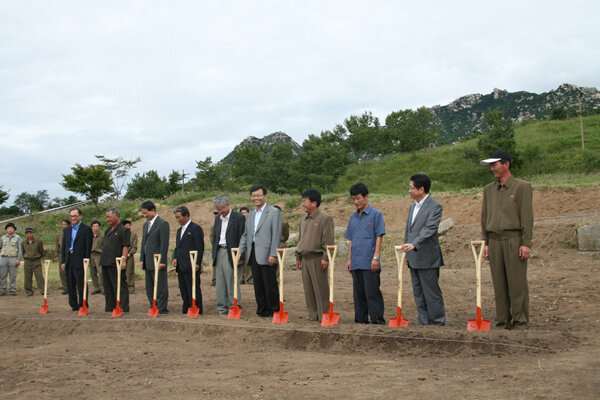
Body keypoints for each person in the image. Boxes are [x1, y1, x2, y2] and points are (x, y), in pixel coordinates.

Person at [480, 150, 533, 330]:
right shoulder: (489, 190)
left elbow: (527, 217)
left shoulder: (522, 187)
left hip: (514, 240)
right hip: (494, 241)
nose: (492, 168)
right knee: (499, 284)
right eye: (491, 165)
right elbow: (484, 217)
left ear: (506, 164)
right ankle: (503, 321)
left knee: (517, 283)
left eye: (495, 164)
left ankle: (520, 321)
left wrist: (526, 243)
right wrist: (486, 242)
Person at [400, 174, 446, 326]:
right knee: (418, 293)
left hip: (428, 257)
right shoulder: (413, 206)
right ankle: (424, 322)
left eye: (411, 188)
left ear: (421, 189)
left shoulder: (435, 206)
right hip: (414, 257)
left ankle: (437, 322)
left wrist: (414, 244)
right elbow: (408, 230)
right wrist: (407, 250)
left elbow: (430, 229)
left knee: (431, 292)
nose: (409, 191)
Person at [345, 182, 386, 324]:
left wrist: (376, 257)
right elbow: (350, 240)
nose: (356, 202)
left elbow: (379, 236)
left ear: (366, 197)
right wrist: (349, 259)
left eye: (358, 198)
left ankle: (377, 321)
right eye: (354, 199)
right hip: (356, 261)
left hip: (370, 262)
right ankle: (360, 321)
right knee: (358, 294)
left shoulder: (376, 215)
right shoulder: (352, 217)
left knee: (372, 293)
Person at [239, 185, 282, 318]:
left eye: (259, 195)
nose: (256, 198)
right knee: (258, 284)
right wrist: (240, 251)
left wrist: (273, 254)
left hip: (268, 254)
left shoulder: (273, 212)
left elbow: (276, 234)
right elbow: (246, 234)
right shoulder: (250, 215)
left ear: (265, 196)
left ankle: (273, 310)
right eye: (253, 195)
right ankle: (261, 309)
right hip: (253, 254)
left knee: (270, 284)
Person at [295, 189, 334, 322]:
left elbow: (328, 241)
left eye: (304, 201)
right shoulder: (303, 220)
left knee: (320, 288)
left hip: (318, 259)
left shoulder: (325, 219)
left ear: (314, 203)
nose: (302, 204)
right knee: (308, 289)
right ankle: (313, 315)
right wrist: (298, 257)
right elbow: (301, 240)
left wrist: (325, 258)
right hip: (305, 259)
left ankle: (324, 315)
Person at [211, 195, 245, 315]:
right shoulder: (217, 219)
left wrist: (241, 253)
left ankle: (234, 306)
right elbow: (215, 236)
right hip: (219, 251)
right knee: (220, 282)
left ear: (228, 205)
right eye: (217, 210)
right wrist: (214, 253)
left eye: (222, 209)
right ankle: (222, 308)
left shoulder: (239, 217)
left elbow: (243, 237)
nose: (220, 212)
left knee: (232, 281)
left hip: (232, 252)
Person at [139, 200, 170, 314]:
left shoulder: (162, 224)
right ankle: (153, 305)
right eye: (143, 213)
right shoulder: (145, 225)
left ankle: (161, 308)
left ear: (153, 210)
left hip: (158, 261)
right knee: (149, 286)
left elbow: (164, 244)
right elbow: (143, 243)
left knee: (160, 285)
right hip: (148, 261)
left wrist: (162, 260)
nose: (145, 216)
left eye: (146, 213)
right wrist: (142, 259)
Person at [173, 206, 204, 315]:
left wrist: (197, 263)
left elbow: (200, 247)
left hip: (191, 263)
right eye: (176, 218)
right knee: (183, 288)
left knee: (193, 287)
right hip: (181, 264)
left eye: (179, 217)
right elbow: (178, 246)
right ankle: (186, 306)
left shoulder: (195, 228)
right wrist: (175, 257)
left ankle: (196, 307)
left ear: (186, 216)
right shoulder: (179, 230)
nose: (177, 220)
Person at [61, 208, 93, 311]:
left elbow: (88, 246)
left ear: (80, 216)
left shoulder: (86, 229)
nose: (73, 218)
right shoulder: (67, 230)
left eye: (75, 216)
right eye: (71, 216)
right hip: (69, 258)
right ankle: (73, 304)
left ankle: (83, 303)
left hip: (80, 259)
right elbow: (64, 247)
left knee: (81, 283)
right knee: (70, 283)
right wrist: (63, 261)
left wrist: (87, 260)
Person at [99, 208, 130, 313]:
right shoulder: (108, 230)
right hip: (105, 261)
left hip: (116, 262)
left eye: (109, 217)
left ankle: (123, 307)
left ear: (116, 216)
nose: (108, 219)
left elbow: (125, 246)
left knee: (119, 285)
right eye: (106, 217)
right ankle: (110, 307)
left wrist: (124, 260)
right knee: (108, 286)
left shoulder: (124, 230)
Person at [21, 227, 45, 296]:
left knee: (39, 276)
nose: (29, 234)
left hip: (36, 260)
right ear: (26, 234)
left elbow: (41, 251)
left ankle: (42, 290)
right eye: (27, 233)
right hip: (27, 260)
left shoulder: (38, 241)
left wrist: (38, 256)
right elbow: (23, 252)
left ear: (32, 233)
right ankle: (29, 291)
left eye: (30, 233)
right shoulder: (23, 243)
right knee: (27, 277)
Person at [0, 222, 22, 296]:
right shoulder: (2, 238)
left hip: (13, 258)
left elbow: (20, 249)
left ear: (14, 229)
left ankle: (12, 290)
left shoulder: (18, 238)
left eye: (11, 228)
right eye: (8, 228)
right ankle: (2, 290)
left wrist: (18, 259)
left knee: (13, 275)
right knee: (2, 275)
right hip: (3, 258)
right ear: (6, 229)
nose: (9, 229)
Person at [122, 220, 138, 294]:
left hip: (129, 256)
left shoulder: (133, 234)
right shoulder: (121, 234)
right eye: (126, 225)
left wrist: (130, 253)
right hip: (121, 256)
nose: (128, 227)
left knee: (130, 271)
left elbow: (135, 246)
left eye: (129, 225)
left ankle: (131, 286)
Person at [89, 220, 104, 295]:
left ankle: (103, 288)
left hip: (99, 255)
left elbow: (105, 246)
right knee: (92, 272)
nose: (95, 228)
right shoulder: (89, 235)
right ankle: (96, 288)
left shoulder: (102, 235)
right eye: (94, 226)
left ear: (99, 227)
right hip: (91, 255)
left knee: (100, 272)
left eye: (97, 226)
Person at [55, 219, 70, 294]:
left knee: (70, 271)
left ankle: (73, 287)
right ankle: (65, 287)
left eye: (65, 224)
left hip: (70, 254)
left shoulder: (71, 233)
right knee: (62, 272)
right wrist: (57, 255)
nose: (63, 226)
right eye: (62, 224)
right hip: (61, 254)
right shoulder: (59, 235)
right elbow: (57, 246)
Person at [238, 206, 252, 284]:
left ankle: (249, 278)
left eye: (245, 213)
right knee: (239, 262)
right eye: (242, 213)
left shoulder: (251, 222)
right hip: (239, 244)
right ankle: (240, 278)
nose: (244, 214)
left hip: (249, 245)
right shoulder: (237, 222)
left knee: (248, 261)